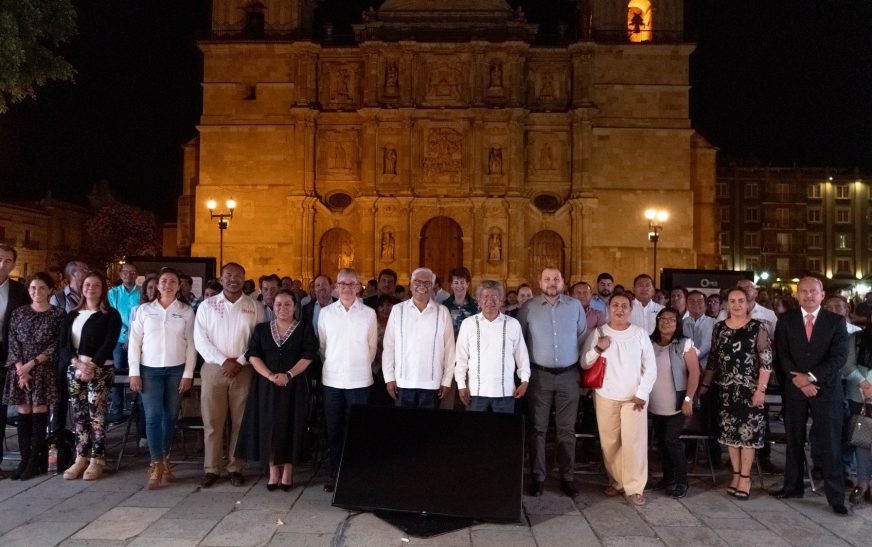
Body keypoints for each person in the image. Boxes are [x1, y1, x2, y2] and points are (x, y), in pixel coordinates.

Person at [770, 277, 850, 513]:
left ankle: (836, 497)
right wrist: (799, 380)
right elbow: (781, 355)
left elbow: (839, 357)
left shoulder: (836, 321)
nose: (808, 296)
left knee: (830, 443)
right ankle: (792, 487)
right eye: (803, 291)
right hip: (795, 389)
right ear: (797, 295)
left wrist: (812, 377)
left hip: (826, 390)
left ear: (822, 294)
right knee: (794, 440)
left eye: (813, 291)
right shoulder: (786, 320)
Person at [236, 289, 317, 491]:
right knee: (269, 426)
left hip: (294, 385)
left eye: (287, 304)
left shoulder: (303, 328)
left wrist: (288, 374)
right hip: (267, 386)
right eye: (278, 304)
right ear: (272, 306)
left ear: (295, 307)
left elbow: (308, 355)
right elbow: (252, 355)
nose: (282, 308)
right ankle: (273, 471)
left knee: (291, 425)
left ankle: (288, 471)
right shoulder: (262, 329)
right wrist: (270, 376)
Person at [582, 292, 657, 506]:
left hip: (634, 398)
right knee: (610, 442)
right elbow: (585, 363)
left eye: (624, 306)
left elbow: (650, 367)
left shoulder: (640, 334)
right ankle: (617, 481)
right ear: (609, 308)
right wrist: (598, 348)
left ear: (630, 310)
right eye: (615, 305)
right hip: (606, 395)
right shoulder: (599, 332)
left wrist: (642, 393)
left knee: (634, 443)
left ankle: (634, 487)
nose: (620, 309)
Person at [194, 262, 263, 488]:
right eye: (228, 276)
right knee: (213, 422)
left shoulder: (254, 306)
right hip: (215, 367)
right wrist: (223, 360)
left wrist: (240, 360)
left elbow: (258, 338)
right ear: (221, 279)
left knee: (240, 422)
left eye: (238, 276)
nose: (233, 279)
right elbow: (200, 339)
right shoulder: (208, 305)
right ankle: (211, 468)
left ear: (244, 278)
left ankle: (236, 467)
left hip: (244, 368)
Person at [518, 268, 586, 498]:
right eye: (547, 279)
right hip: (539, 377)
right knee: (538, 429)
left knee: (566, 430)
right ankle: (538, 477)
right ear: (539, 282)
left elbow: (581, 336)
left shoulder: (575, 306)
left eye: (556, 278)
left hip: (568, 376)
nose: (552, 282)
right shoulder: (528, 308)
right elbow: (521, 341)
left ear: (563, 281)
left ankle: (567, 477)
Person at [700, 287, 772, 500]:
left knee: (747, 436)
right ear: (726, 304)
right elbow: (713, 359)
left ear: (748, 303)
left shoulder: (758, 328)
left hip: (750, 390)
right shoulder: (719, 328)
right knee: (731, 436)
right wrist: (704, 385)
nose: (737, 305)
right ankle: (736, 474)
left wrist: (761, 389)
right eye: (732, 301)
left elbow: (766, 362)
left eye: (741, 300)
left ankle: (746, 478)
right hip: (726, 389)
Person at [127, 268, 197, 489]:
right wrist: (134, 372)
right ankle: (156, 462)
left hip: (176, 370)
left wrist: (188, 374)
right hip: (149, 371)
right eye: (164, 281)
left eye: (173, 282)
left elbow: (192, 345)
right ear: (157, 286)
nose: (168, 285)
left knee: (170, 417)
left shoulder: (186, 311)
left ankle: (165, 459)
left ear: (179, 286)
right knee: (152, 416)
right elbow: (134, 343)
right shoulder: (144, 310)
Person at [317, 268, 377, 492]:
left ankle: (356, 473)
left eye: (352, 284)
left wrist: (358, 365)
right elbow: (323, 347)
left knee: (357, 430)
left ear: (359, 287)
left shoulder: (368, 314)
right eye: (343, 284)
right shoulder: (326, 313)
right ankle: (334, 473)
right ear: (336, 287)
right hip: (332, 380)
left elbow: (371, 348)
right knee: (334, 428)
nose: (347, 288)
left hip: (359, 380)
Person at [59, 271, 122, 481]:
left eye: (96, 285)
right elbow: (64, 345)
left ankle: (97, 458)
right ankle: (81, 457)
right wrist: (77, 363)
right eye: (87, 284)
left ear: (102, 289)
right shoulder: (72, 315)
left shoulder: (110, 315)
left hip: (100, 369)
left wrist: (92, 365)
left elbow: (109, 343)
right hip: (74, 368)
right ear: (81, 287)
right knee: (78, 415)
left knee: (97, 415)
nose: (90, 288)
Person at [3, 271, 65, 480]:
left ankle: (35, 461)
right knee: (23, 414)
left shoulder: (58, 314)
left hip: (42, 369)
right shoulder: (19, 313)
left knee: (39, 414)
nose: (36, 292)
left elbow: (56, 345)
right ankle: (24, 459)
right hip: (20, 370)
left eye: (41, 288)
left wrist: (31, 364)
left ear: (50, 290)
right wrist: (21, 368)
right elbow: (12, 341)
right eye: (32, 288)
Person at [382, 268, 455, 409]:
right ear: (410, 285)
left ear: (433, 286)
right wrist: (389, 377)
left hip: (432, 384)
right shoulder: (398, 310)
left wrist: (446, 380)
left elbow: (450, 349)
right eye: (417, 282)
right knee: (404, 429)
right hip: (402, 383)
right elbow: (389, 346)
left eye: (427, 283)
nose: (422, 286)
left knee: (428, 429)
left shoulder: (442, 312)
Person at [455, 280, 530, 414]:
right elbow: (461, 358)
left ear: (501, 300)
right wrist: (461, 385)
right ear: (478, 300)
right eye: (485, 297)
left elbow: (522, 356)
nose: (490, 301)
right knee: (475, 433)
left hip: (505, 392)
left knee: (502, 433)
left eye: (494, 297)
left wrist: (524, 381)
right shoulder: (468, 324)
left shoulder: (513, 324)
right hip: (475, 392)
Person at [648, 307, 700, 498]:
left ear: (678, 323)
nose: (666, 322)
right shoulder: (649, 342)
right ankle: (667, 478)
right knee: (661, 442)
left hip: (677, 403)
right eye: (663, 318)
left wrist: (688, 398)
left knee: (672, 441)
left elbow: (694, 372)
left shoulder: (684, 343)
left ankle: (681, 481)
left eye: (671, 319)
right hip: (655, 402)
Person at [0, 244, 29, 479]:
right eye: (0, 259)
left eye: (8, 260)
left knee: (1, 409)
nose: (3, 264)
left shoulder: (19, 291)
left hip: (6, 355)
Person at [49, 259, 89, 432]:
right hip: (64, 354)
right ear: (74, 273)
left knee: (85, 397)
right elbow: (52, 327)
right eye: (84, 269)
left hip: (86, 352)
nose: (87, 271)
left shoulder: (89, 296)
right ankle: (58, 435)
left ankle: (83, 434)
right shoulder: (58, 298)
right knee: (61, 396)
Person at [683, 290, 720, 466]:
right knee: (690, 413)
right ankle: (689, 451)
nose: (696, 305)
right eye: (691, 301)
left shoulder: (714, 323)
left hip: (707, 375)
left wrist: (692, 357)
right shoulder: (682, 324)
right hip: (687, 375)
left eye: (700, 302)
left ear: (705, 305)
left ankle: (714, 456)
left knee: (709, 414)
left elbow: (709, 346)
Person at [107, 262, 141, 422]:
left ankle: (136, 408)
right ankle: (117, 409)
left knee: (136, 373)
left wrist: (132, 337)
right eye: (126, 272)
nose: (129, 275)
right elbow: (112, 316)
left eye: (133, 272)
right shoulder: (113, 293)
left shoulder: (141, 293)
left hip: (138, 340)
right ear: (120, 274)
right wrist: (126, 335)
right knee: (118, 373)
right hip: (118, 339)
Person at [849, 305, 872, 504]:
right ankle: (862, 482)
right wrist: (864, 383)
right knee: (863, 441)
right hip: (861, 396)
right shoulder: (857, 337)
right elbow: (848, 365)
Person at [571, 281, 607, 346]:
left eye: (585, 292)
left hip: (590, 352)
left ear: (591, 295)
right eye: (578, 293)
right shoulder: (565, 314)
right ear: (572, 295)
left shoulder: (598, 315)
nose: (582, 295)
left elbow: (602, 336)